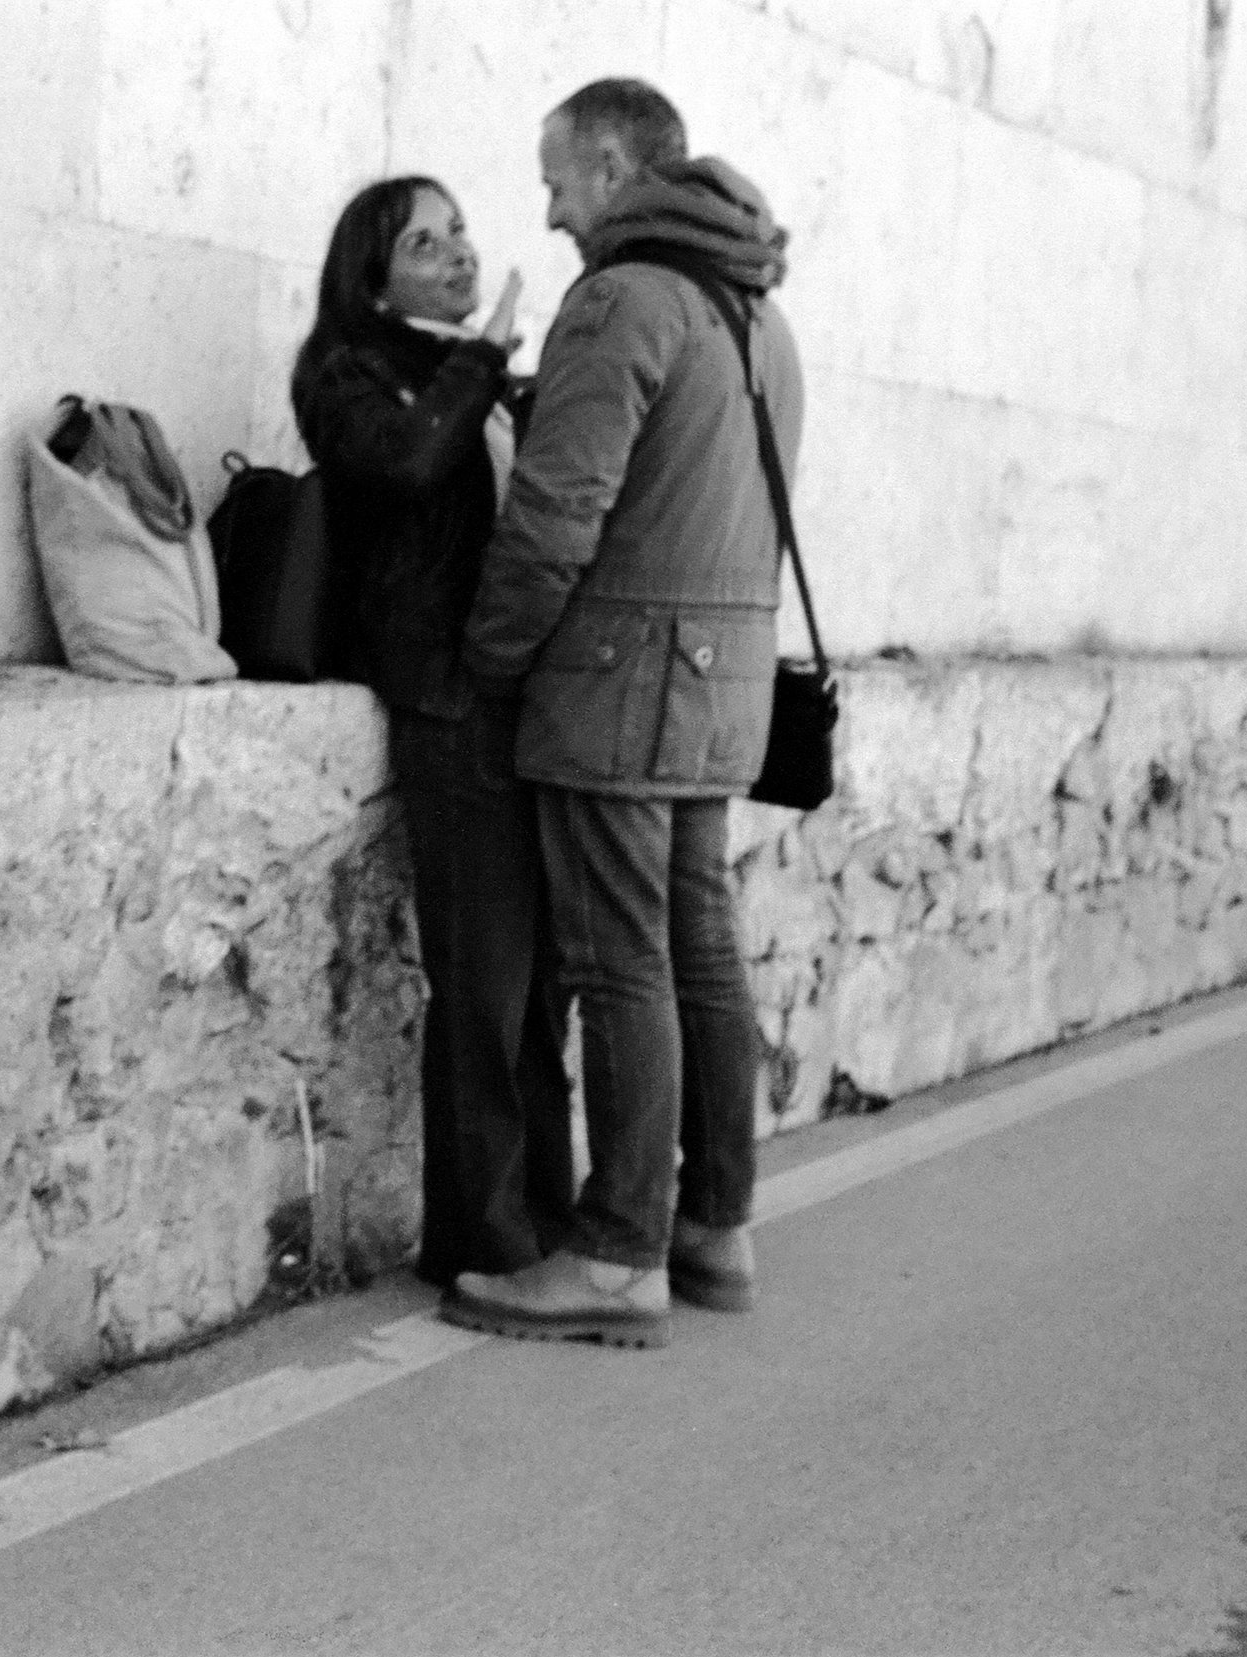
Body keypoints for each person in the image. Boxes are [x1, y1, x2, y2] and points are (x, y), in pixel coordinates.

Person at [445, 81, 803, 1349]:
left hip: (618, 685)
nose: (546, 215)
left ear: (608, 167)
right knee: (700, 950)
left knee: (619, 961)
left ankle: (613, 1256)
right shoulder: (757, 314)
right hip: (723, 684)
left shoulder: (619, 303)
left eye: (554, 183)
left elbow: (555, 519)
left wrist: (490, 659)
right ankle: (716, 1225)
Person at [291, 177, 573, 1287]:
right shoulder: (348, 370)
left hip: (520, 697)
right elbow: (406, 463)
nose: (458, 254)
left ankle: (549, 1224)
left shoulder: (480, 382)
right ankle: (482, 1244)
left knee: (542, 986)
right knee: (483, 978)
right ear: (373, 274)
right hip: (442, 697)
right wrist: (480, 361)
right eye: (425, 242)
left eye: (460, 231)